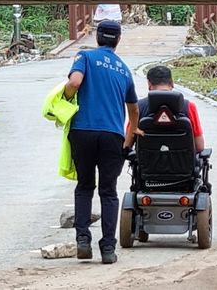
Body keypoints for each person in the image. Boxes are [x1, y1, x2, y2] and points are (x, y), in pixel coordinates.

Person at [63, 20, 140, 264]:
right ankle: (108, 249)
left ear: (97, 37)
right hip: (112, 136)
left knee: (85, 186)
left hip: (82, 131)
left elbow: (75, 83)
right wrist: (128, 142)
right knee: (109, 192)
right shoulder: (124, 70)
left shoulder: (84, 57)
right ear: (118, 40)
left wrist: (63, 97)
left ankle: (83, 241)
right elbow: (134, 111)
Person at [124, 65, 204, 153]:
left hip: (147, 165)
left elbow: (128, 144)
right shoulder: (189, 107)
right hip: (182, 165)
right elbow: (199, 146)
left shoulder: (138, 107)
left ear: (149, 84)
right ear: (172, 83)